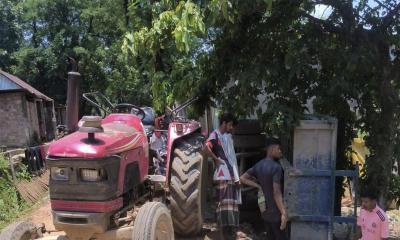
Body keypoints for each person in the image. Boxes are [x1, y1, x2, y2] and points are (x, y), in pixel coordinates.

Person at [204, 113, 244, 239]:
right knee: (223, 206)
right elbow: (205, 148)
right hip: (223, 175)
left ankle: (231, 234)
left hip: (230, 175)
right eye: (230, 125)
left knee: (231, 206)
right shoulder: (214, 135)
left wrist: (236, 177)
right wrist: (215, 159)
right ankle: (223, 235)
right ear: (224, 123)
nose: (231, 127)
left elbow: (231, 159)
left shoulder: (226, 137)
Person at [240, 137, 287, 240]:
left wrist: (257, 186)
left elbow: (242, 178)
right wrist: (283, 213)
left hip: (264, 212)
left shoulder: (259, 165)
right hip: (276, 213)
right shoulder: (276, 167)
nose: (280, 151)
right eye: (278, 148)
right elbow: (276, 192)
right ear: (271, 149)